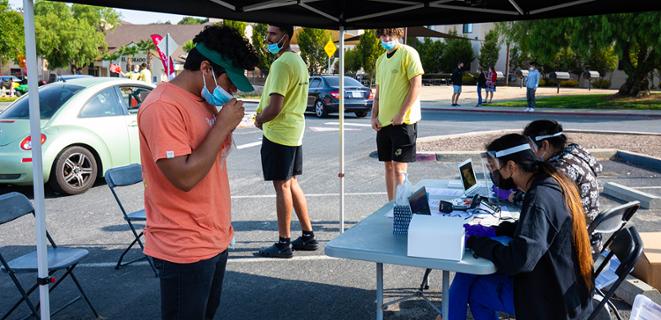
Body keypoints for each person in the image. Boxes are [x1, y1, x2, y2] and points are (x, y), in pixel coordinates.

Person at [137, 25, 258, 320]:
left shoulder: (203, 102)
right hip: (184, 245)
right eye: (230, 82)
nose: (232, 91)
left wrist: (222, 125)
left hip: (213, 237)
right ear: (206, 68)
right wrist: (222, 125)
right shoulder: (163, 106)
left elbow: (213, 157)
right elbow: (185, 177)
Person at [445, 133, 595, 320]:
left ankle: (449, 315)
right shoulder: (552, 182)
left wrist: (477, 243)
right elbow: (539, 230)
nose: (494, 175)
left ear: (511, 166)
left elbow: (519, 260)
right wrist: (499, 229)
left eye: (495, 168)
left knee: (475, 291)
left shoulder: (539, 197)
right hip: (567, 289)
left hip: (554, 303)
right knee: (470, 279)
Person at [253, 24, 317, 259]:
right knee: (291, 182)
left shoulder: (281, 64)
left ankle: (284, 242)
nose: (267, 37)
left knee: (281, 185)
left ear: (285, 37)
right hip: (293, 130)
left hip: (278, 132)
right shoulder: (298, 61)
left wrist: (260, 118)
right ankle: (308, 235)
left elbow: (275, 106)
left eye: (272, 34)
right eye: (268, 33)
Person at [371, 27, 424, 201]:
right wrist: (374, 116)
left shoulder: (408, 53)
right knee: (387, 166)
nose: (386, 38)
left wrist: (402, 113)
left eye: (389, 34)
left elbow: (416, 86)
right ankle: (391, 205)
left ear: (398, 34)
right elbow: (378, 92)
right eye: (383, 35)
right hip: (384, 122)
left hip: (403, 122)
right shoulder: (380, 60)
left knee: (399, 169)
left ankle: (401, 208)